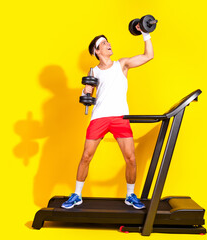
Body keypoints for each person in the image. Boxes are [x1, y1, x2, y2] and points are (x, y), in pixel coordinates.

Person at [61, 24, 154, 209]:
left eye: (108, 41)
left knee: (131, 158)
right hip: (99, 118)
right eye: (104, 43)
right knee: (86, 156)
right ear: (97, 51)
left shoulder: (122, 64)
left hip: (120, 117)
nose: (108, 44)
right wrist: (85, 91)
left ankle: (130, 195)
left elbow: (148, 56)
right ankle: (77, 195)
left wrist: (145, 33)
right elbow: (87, 96)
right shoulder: (93, 72)